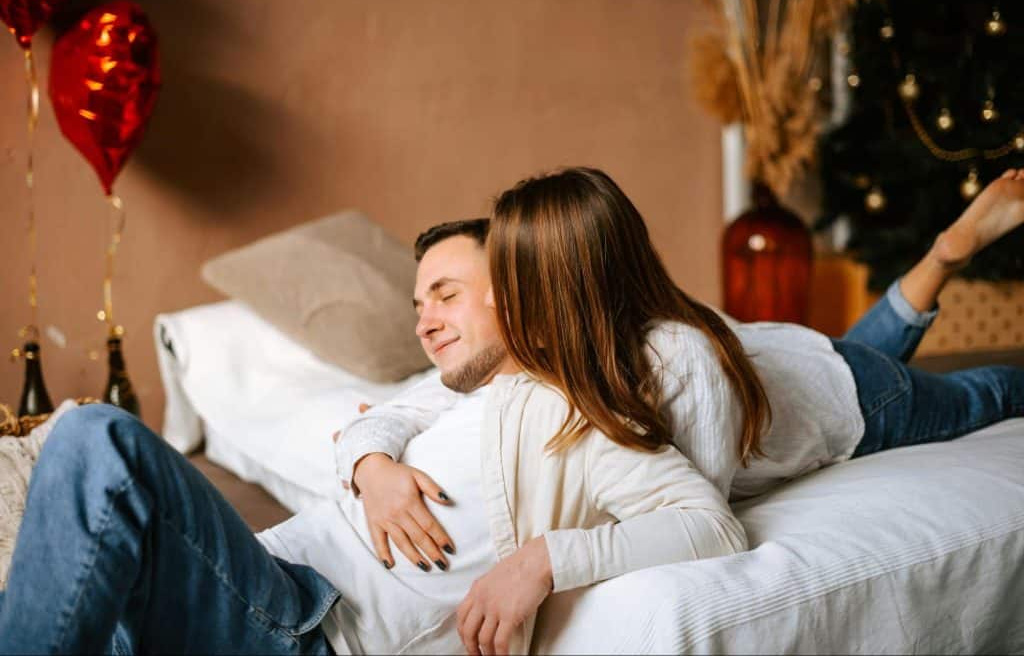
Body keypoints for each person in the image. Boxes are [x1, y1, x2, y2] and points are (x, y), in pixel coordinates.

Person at [0, 217, 747, 655]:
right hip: (258, 576)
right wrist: (369, 463)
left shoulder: (572, 415)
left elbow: (710, 522)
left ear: (517, 296)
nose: (423, 319)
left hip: (305, 627)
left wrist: (544, 559)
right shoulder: (459, 395)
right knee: (85, 452)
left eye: (447, 295)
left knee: (100, 440)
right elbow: (375, 421)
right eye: (419, 301)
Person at [342, 166, 1024, 575]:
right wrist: (371, 467)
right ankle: (943, 256)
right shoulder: (536, 340)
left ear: (564, 278)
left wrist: (553, 555)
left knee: (974, 391)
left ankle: (945, 255)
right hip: (780, 357)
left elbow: (698, 509)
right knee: (853, 343)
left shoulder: (679, 359)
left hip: (847, 397)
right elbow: (405, 407)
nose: (493, 299)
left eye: (498, 281)